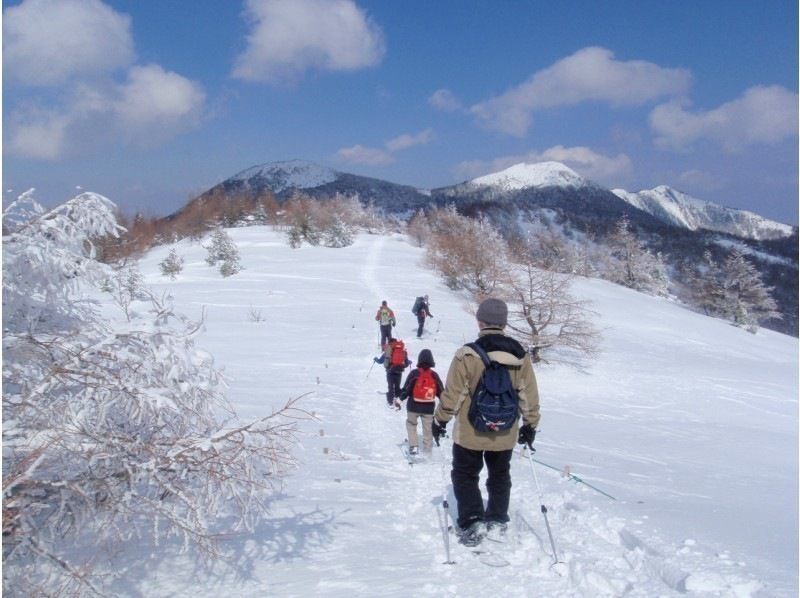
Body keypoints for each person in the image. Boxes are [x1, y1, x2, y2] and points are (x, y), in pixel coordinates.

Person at [431, 298, 540, 547]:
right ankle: (497, 519)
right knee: (500, 474)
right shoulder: (520, 355)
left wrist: (441, 420)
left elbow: (453, 394)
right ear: (503, 323)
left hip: (470, 431)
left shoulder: (467, 354)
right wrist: (530, 425)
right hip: (505, 431)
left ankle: (472, 520)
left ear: (480, 321)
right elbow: (529, 394)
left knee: (466, 473)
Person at [398, 349, 443, 457]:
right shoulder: (434, 375)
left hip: (413, 406)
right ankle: (428, 449)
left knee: (411, 424)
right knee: (427, 428)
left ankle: (413, 447)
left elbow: (406, 389)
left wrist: (400, 399)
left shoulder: (414, 373)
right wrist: (446, 404)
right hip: (428, 408)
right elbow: (441, 392)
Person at [373, 337, 411, 409]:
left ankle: (390, 402)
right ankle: (397, 399)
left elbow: (380, 361)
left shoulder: (388, 350)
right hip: (399, 371)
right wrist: (409, 362)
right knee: (397, 386)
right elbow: (406, 364)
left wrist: (375, 359)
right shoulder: (402, 351)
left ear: (390, 343)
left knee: (390, 386)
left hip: (390, 371)